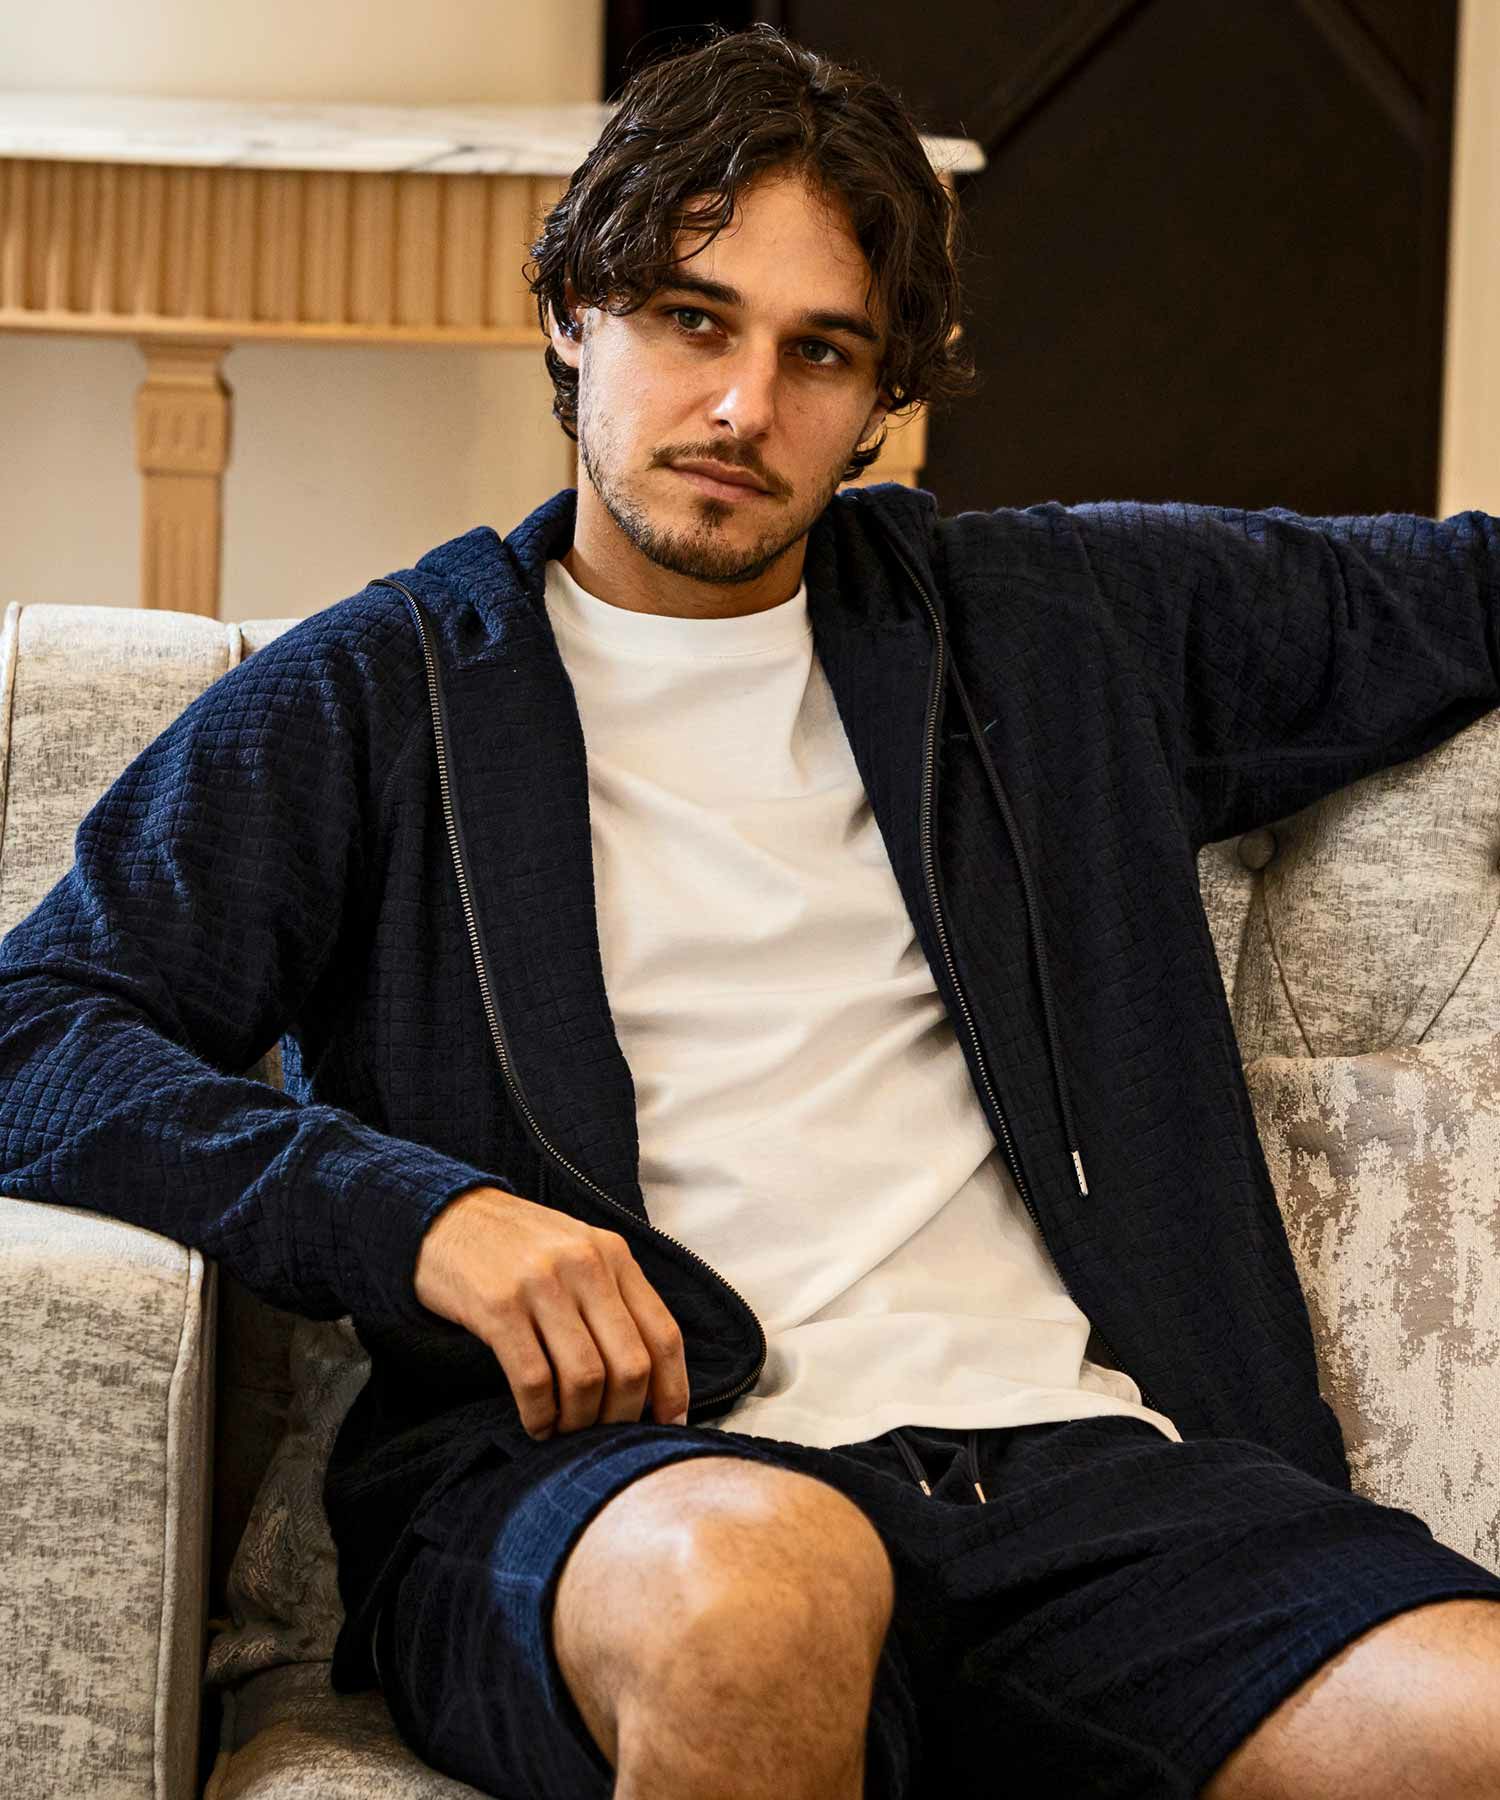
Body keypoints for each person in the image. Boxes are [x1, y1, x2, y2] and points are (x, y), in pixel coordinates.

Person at [4, 20, 1500, 1800]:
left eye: (820, 352)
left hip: (1090, 1477)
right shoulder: (378, 698)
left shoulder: (1048, 624)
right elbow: (36, 1034)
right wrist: (424, 1218)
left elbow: (1467, 590)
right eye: (691, 319)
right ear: (575, 312)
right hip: (622, 1487)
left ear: (881, 401)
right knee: (767, 1601)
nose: (742, 406)